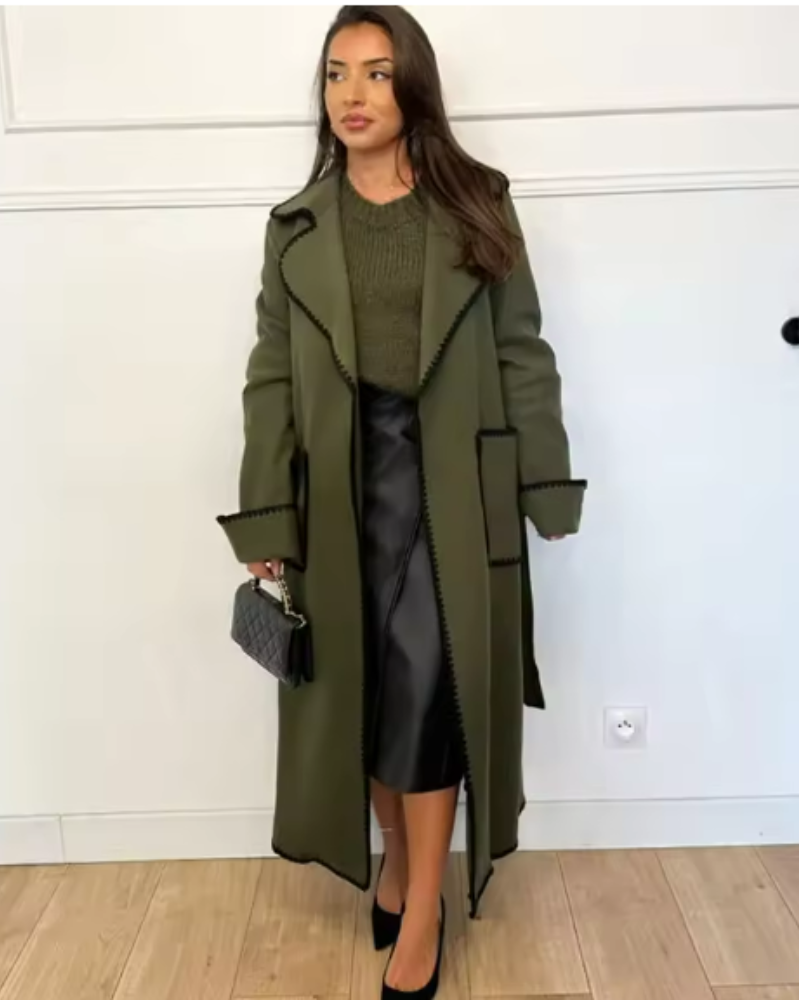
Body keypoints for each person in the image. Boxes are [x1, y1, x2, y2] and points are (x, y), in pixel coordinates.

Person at [217, 6, 586, 997]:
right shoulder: (296, 227)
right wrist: (266, 514)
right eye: (336, 73)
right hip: (341, 490)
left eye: (377, 73)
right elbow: (270, 377)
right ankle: (394, 856)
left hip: (453, 484)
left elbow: (522, 350)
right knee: (364, 698)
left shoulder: (477, 202)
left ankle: (423, 905)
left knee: (428, 696)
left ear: (413, 85)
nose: (352, 93)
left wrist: (543, 480)